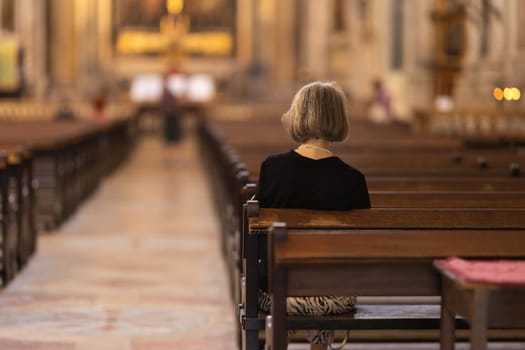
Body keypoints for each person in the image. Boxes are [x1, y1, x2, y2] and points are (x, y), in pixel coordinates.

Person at [255, 81, 371, 350]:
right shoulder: (353, 179)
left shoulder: (273, 168)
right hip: (335, 297)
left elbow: (259, 239)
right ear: (339, 119)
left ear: (298, 116)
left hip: (280, 292)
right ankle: (319, 346)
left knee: (274, 279)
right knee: (329, 273)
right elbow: (358, 246)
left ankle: (278, 340)